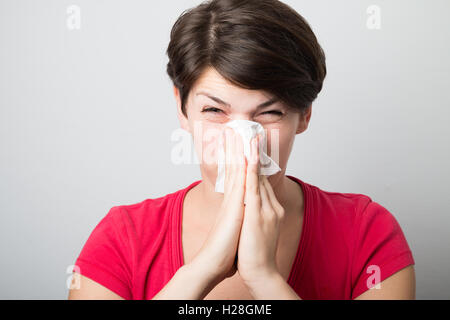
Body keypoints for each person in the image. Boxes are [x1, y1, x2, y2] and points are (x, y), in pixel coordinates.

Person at [68, 0, 415, 300]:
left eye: (269, 114)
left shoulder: (367, 233)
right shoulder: (122, 238)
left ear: (304, 115)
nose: (244, 140)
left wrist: (265, 278)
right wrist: (202, 270)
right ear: (182, 109)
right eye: (215, 111)